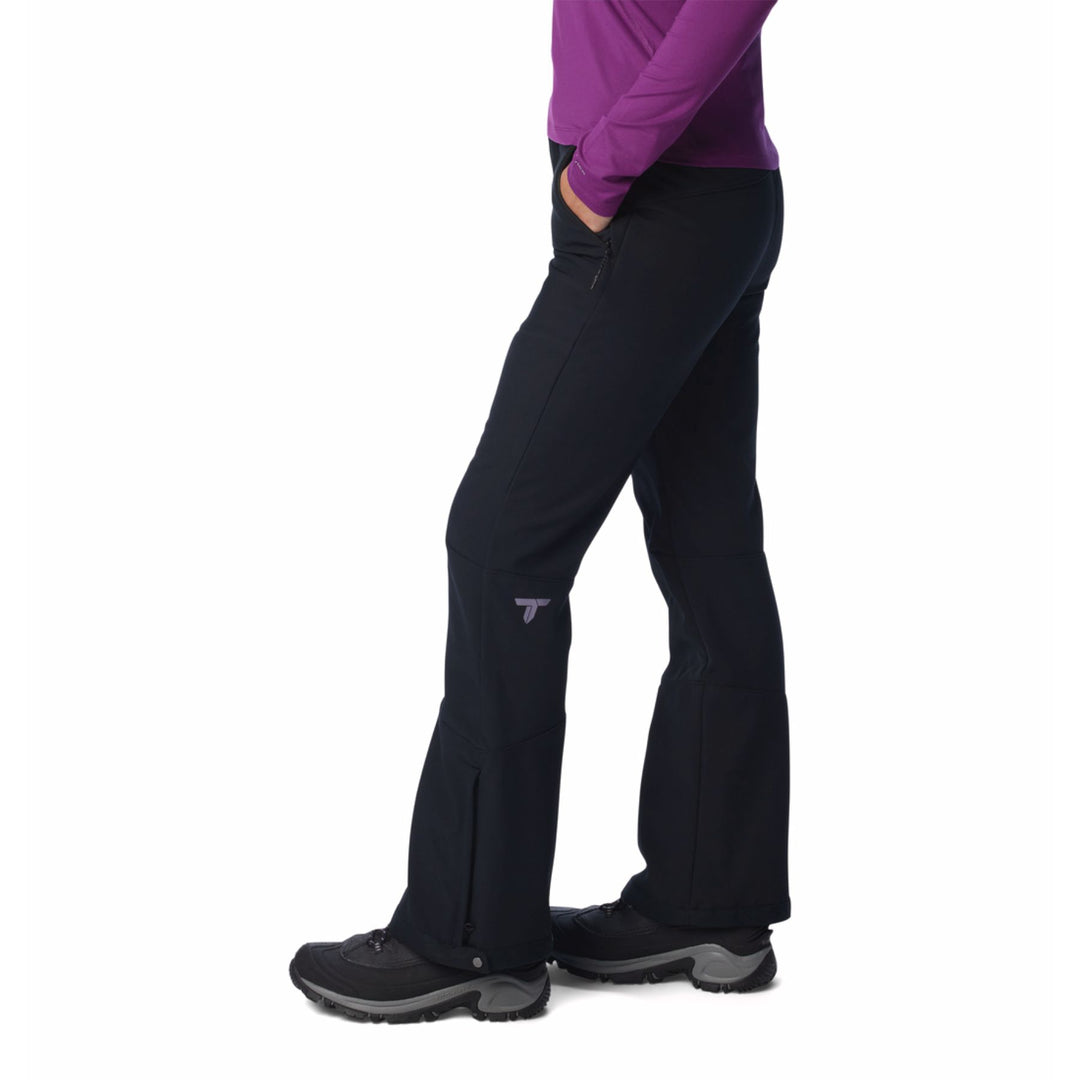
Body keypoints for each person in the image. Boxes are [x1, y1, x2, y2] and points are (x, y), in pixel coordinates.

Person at [290, 0, 789, 1023]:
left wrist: (602, 169)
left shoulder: (626, 175)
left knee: (501, 544)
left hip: (651, 196)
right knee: (708, 543)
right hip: (706, 196)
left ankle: (472, 932)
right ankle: (710, 903)